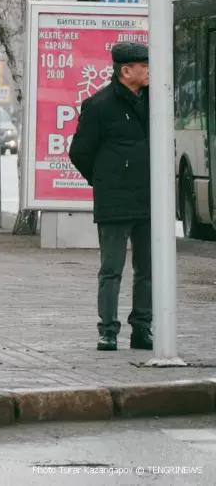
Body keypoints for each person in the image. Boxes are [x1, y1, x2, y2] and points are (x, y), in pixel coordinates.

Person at [69, 42, 152, 352]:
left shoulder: (155, 101)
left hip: (149, 199)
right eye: (143, 66)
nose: (149, 71)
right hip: (114, 201)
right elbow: (79, 152)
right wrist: (104, 180)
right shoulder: (99, 105)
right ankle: (108, 331)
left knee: (149, 269)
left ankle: (142, 328)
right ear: (125, 71)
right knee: (111, 269)